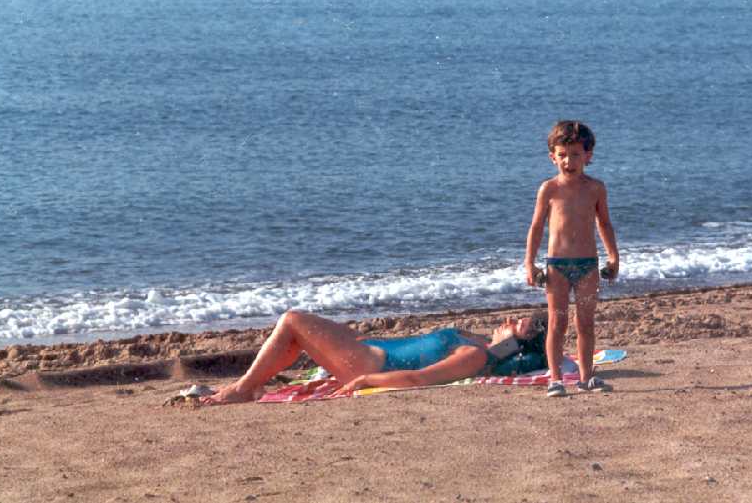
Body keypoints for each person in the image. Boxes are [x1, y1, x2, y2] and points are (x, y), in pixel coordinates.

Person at [201, 309, 549, 404]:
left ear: (517, 346)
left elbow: (420, 379)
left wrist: (365, 380)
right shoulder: (478, 343)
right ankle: (251, 384)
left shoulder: (474, 357)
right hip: (366, 348)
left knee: (292, 321)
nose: (507, 320)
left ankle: (243, 389)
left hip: (369, 363)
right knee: (295, 333)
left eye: (516, 325)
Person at [524, 120, 620, 397]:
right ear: (552, 157)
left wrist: (613, 257)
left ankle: (586, 377)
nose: (569, 161)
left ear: (588, 156)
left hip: (588, 266)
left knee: (586, 323)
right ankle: (555, 379)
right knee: (558, 323)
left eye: (576, 154)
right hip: (557, 266)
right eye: (563, 155)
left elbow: (604, 224)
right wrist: (530, 263)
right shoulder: (549, 189)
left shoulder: (596, 188)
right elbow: (536, 227)